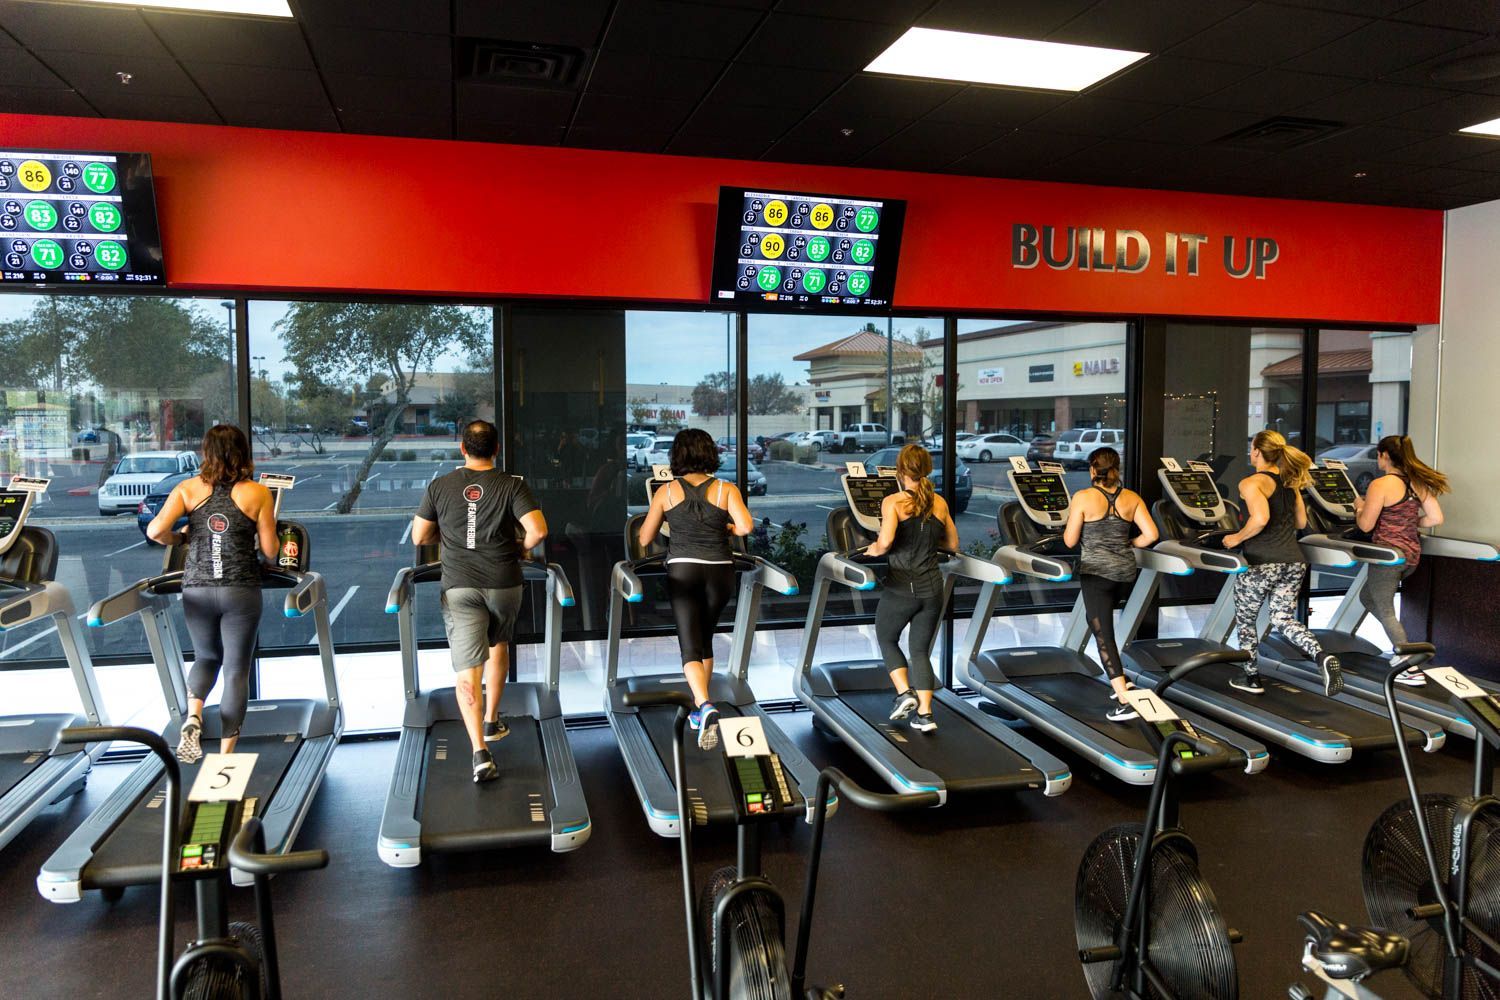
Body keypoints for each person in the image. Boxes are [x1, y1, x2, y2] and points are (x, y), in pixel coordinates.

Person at [412, 420, 547, 784]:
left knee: (468, 671)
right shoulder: (512, 484)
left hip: (460, 587)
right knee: (498, 644)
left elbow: (419, 536)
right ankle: (491, 720)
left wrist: (450, 535)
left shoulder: (440, 485)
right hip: (503, 582)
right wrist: (521, 548)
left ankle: (480, 753)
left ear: (463, 449)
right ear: (496, 449)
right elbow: (537, 530)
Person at [147, 425, 280, 764]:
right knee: (236, 670)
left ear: (207, 453)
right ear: (242, 452)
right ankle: (224, 757)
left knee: (206, 657)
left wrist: (181, 538)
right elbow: (270, 551)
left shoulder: (188, 489)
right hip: (240, 590)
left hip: (197, 589)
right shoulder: (258, 493)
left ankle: (194, 715)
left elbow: (156, 530)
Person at [637, 428, 753, 750]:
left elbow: (645, 537)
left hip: (683, 570)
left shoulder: (667, 491)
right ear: (709, 453)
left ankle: (704, 705)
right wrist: (727, 527)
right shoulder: (726, 488)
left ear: (677, 455)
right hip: (721, 571)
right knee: (704, 639)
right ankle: (702, 709)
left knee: (689, 646)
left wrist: (673, 522)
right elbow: (745, 526)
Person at [1221, 430, 1343, 696]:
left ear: (1256, 451)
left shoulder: (1251, 483)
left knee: (1246, 621)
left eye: (1252, 448)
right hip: (1293, 561)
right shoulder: (1290, 483)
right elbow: (1300, 522)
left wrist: (1235, 538)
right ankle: (1321, 656)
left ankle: (1251, 677)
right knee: (1282, 618)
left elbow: (1260, 518)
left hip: (1262, 562)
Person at [1062, 447, 1159, 723]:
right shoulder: (1131, 497)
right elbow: (1151, 534)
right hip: (1124, 574)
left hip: (1097, 575)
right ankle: (1123, 683)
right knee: (1100, 624)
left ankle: (1124, 698)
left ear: (1093, 469)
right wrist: (1129, 543)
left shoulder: (1083, 497)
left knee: (1103, 636)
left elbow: (1070, 541)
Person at [867, 444, 958, 733]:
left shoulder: (893, 502)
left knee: (886, 638)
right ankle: (925, 715)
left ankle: (904, 693)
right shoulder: (939, 502)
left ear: (900, 470)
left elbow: (884, 543)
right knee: (919, 651)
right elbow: (952, 544)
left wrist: (873, 549)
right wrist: (928, 542)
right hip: (933, 589)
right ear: (926, 469)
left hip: (901, 587)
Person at [1353, 435, 1448, 686]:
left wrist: (1359, 507)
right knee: (1367, 597)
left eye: (1378, 455)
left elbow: (1366, 525)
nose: (1378, 459)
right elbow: (1436, 518)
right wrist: (1410, 523)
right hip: (1411, 556)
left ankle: (1408, 665)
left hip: (1387, 557)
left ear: (1384, 455)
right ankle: (1403, 647)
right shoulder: (1416, 482)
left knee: (1385, 610)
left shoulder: (1381, 484)